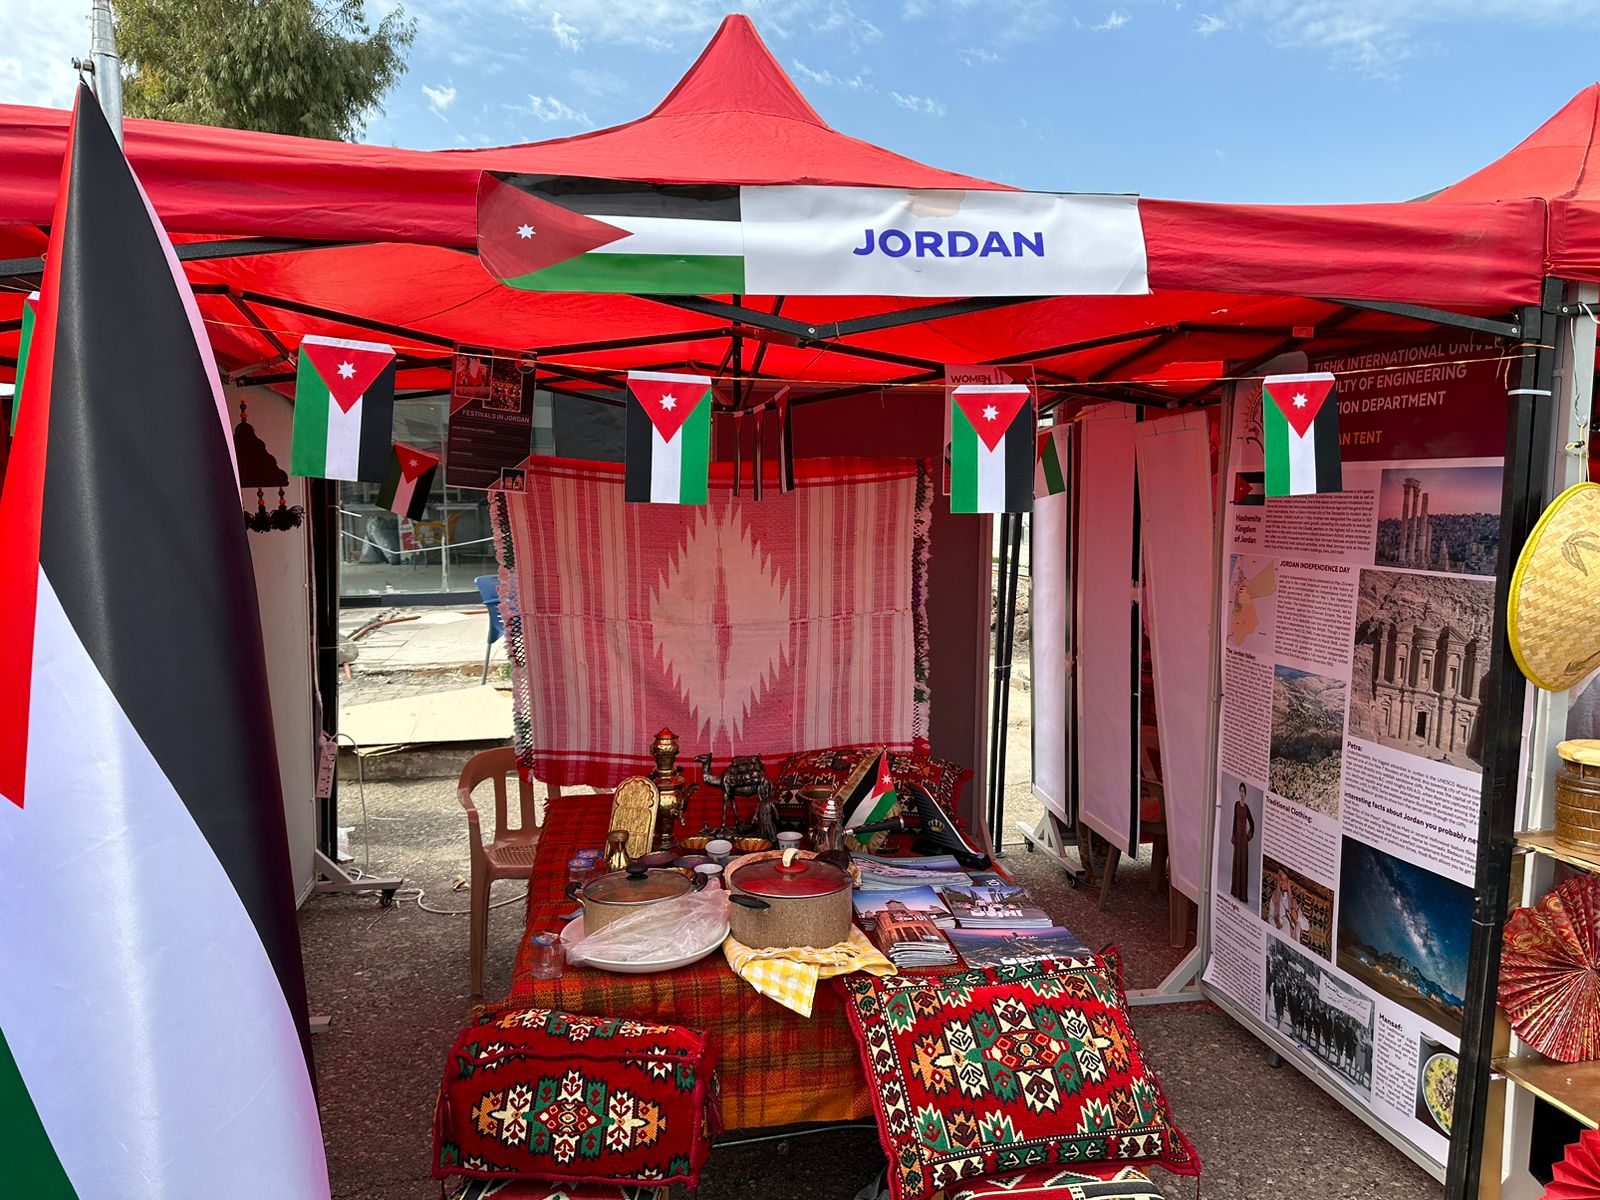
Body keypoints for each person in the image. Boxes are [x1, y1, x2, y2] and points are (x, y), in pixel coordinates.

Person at [1230, 782, 1256, 903]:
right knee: (1237, 863)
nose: (1241, 793)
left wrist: (1248, 836)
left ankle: (1242, 896)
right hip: (1238, 838)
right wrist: (1233, 835)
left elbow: (1252, 823)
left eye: (1243, 791)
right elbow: (1234, 821)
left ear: (1245, 794)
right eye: (1240, 791)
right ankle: (1235, 892)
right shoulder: (1236, 805)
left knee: (1243, 865)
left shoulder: (1246, 808)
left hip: (1244, 841)